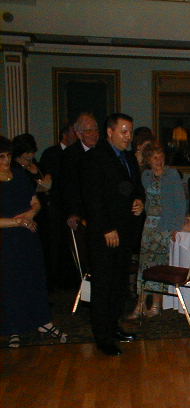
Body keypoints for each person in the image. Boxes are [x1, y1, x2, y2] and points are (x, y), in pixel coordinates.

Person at [82, 113, 145, 356]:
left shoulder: (128, 157)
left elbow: (136, 188)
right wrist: (107, 228)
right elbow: (93, 198)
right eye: (123, 131)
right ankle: (103, 337)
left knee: (119, 285)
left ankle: (113, 326)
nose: (128, 136)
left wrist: (139, 201)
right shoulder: (96, 158)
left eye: (130, 131)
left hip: (125, 231)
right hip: (105, 234)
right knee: (103, 286)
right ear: (110, 132)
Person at [0, 136, 68, 348]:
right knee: (11, 283)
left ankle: (43, 322)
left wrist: (29, 215)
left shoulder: (19, 174)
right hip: (6, 239)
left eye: (8, 156)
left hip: (28, 235)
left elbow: (35, 202)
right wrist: (19, 221)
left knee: (35, 277)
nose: (6, 160)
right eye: (1, 157)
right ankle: (14, 328)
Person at [129, 143, 187, 318]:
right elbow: (141, 197)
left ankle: (155, 305)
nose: (159, 160)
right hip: (149, 227)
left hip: (165, 226)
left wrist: (176, 227)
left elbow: (181, 203)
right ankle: (140, 304)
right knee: (144, 266)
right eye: (155, 157)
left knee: (158, 266)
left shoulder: (172, 175)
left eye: (161, 156)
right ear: (148, 160)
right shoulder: (145, 176)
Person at [38, 122, 77, 289]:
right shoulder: (51, 153)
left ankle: (69, 279)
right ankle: (55, 281)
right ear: (64, 134)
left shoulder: (75, 153)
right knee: (55, 243)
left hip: (69, 205)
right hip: (55, 206)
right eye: (74, 133)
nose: (76, 136)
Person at [62, 112, 100, 230]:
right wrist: (73, 212)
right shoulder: (70, 155)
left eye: (96, 130)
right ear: (79, 134)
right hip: (82, 211)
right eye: (89, 131)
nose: (94, 134)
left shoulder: (103, 151)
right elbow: (69, 187)